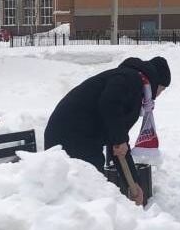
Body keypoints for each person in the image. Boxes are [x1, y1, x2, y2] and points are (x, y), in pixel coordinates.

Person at [43, 56, 172, 205]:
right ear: (155, 81)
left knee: (85, 188)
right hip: (71, 136)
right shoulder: (129, 78)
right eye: (161, 89)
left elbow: (118, 144)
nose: (159, 95)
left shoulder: (131, 83)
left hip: (77, 136)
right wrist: (119, 139)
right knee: (85, 189)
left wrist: (134, 183)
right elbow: (109, 103)